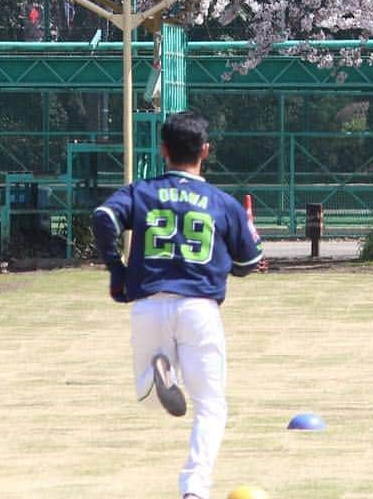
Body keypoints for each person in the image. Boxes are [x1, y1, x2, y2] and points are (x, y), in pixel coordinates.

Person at [93, 109, 263, 499]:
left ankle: (163, 373)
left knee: (152, 400)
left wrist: (116, 270)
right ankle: (194, 487)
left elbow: (103, 216)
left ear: (163, 149)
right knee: (211, 405)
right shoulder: (221, 202)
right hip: (199, 308)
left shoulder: (142, 191)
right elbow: (249, 261)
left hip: (149, 302)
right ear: (206, 150)